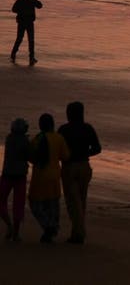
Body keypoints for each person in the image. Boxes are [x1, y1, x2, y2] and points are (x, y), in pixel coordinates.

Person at [58, 101, 102, 244]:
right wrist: (84, 153)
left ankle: (79, 233)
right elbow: (97, 148)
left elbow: (58, 150)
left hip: (69, 167)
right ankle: (77, 232)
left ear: (69, 113)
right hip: (84, 166)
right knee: (81, 200)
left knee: (72, 201)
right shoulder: (88, 128)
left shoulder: (64, 129)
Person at [28, 113, 69, 243]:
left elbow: (31, 157)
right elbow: (66, 156)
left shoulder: (38, 138)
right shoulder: (59, 138)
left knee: (35, 204)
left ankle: (48, 227)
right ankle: (51, 229)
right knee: (52, 205)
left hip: (40, 176)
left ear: (41, 125)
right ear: (52, 124)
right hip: (54, 176)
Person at [0, 118, 30, 242]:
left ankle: (9, 225)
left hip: (7, 174)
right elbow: (28, 155)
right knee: (18, 204)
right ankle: (16, 233)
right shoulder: (25, 141)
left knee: (1, 200)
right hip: (20, 175)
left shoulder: (9, 138)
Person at [10, 0, 43, 65]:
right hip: (22, 22)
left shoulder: (31, 1)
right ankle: (13, 54)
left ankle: (31, 57)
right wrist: (22, 11)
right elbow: (13, 9)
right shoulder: (20, 1)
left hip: (29, 23)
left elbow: (40, 5)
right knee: (20, 39)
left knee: (31, 40)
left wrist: (35, 1)